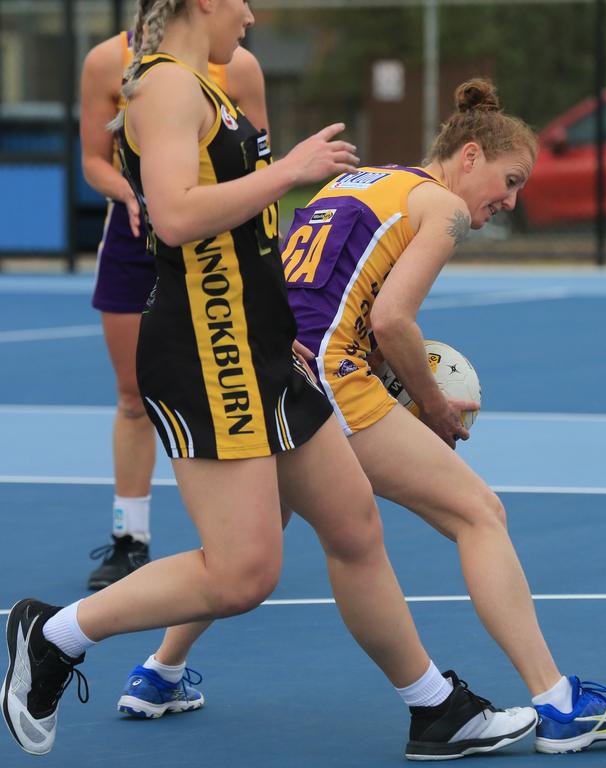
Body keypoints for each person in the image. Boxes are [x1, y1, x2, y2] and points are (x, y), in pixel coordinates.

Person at [0, 0, 537, 761]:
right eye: (241, 0)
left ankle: (434, 710)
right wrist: (289, 171)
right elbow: (178, 216)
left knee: (353, 527)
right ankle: (53, 635)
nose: (250, 15)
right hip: (206, 348)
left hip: (261, 345)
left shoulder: (207, 85)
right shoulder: (162, 86)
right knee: (244, 573)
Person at [117, 77, 606, 755]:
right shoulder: (443, 209)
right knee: (477, 514)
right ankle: (556, 702)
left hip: (274, 365)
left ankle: (158, 674)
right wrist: (430, 405)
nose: (510, 200)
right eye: (508, 179)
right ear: (467, 155)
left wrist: (387, 373)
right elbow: (391, 318)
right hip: (328, 374)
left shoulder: (360, 183)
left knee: (254, 536)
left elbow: (316, 288)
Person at [80, 26, 270, 589]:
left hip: (218, 250)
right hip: (134, 243)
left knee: (248, 377)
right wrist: (129, 192)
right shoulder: (105, 62)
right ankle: (128, 538)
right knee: (132, 398)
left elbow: (257, 163)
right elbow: (93, 159)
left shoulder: (236, 66)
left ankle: (248, 524)